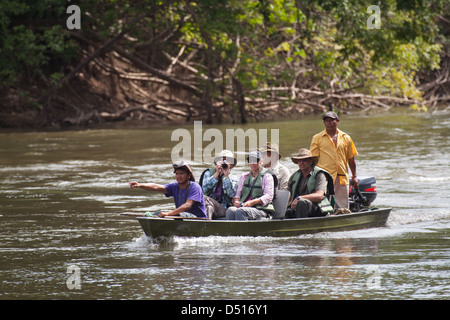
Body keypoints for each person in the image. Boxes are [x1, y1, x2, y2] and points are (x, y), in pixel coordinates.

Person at [310, 111, 358, 210]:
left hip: (341, 177)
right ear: (324, 123)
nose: (329, 123)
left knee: (343, 208)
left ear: (337, 121)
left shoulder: (346, 138)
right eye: (326, 121)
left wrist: (354, 176)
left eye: (332, 120)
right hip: (324, 177)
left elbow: (351, 158)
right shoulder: (317, 138)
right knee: (324, 206)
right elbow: (313, 159)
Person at [129, 160, 207, 219]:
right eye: (177, 174)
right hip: (182, 217)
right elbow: (156, 187)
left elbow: (187, 206)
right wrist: (139, 185)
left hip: (197, 218)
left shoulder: (194, 187)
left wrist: (168, 214)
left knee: (177, 214)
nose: (179, 176)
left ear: (189, 175)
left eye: (182, 173)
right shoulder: (174, 186)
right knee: (157, 214)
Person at [226, 151, 275, 220]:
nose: (253, 163)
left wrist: (252, 202)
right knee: (230, 210)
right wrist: (236, 201)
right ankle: (230, 230)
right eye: (250, 160)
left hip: (261, 209)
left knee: (241, 211)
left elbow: (268, 196)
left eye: (256, 160)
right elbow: (237, 195)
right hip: (244, 207)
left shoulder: (267, 177)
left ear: (261, 161)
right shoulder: (244, 176)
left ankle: (242, 230)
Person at [286, 148, 334, 218]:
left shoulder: (320, 175)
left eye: (304, 160)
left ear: (311, 162)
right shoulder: (294, 176)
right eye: (299, 160)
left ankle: (301, 225)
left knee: (302, 202)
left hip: (317, 208)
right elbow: (288, 195)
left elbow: (319, 195)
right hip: (298, 207)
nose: (301, 163)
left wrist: (299, 198)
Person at [199, 150, 238, 219]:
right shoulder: (208, 173)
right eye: (223, 160)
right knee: (207, 203)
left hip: (223, 208)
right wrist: (216, 175)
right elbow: (204, 189)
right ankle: (207, 224)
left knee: (206, 201)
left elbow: (231, 194)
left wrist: (226, 176)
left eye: (228, 160)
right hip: (208, 205)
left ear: (231, 165)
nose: (224, 162)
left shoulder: (233, 178)